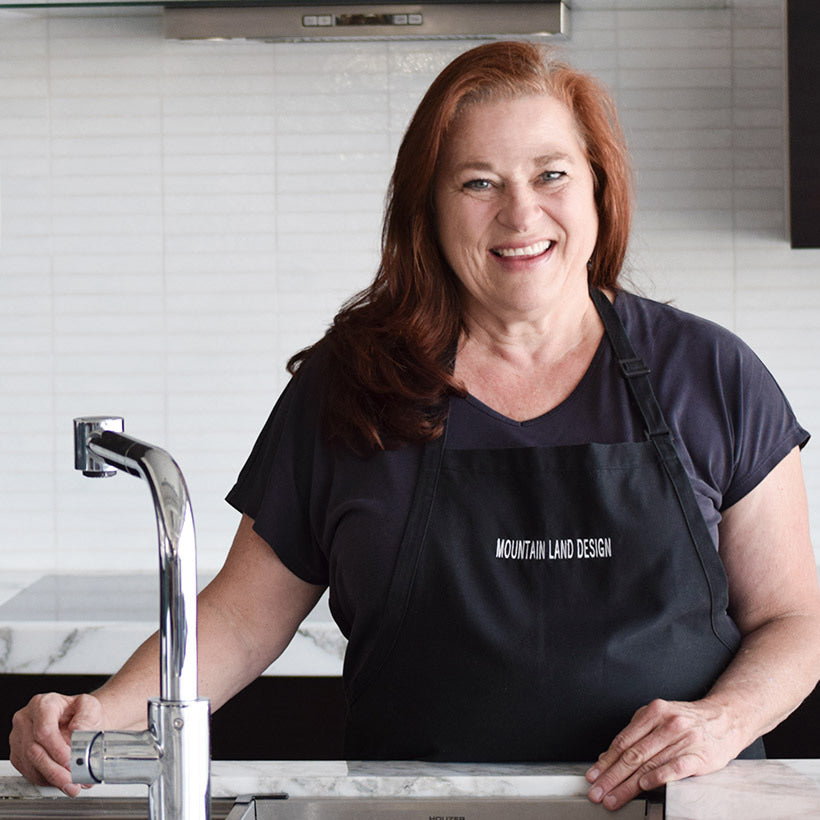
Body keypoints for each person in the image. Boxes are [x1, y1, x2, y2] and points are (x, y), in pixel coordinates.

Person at [10, 41, 820, 813]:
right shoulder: (355, 384)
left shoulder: (711, 375)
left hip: (677, 811)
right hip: (419, 813)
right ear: (428, 210)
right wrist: (100, 715)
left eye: (551, 174)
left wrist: (725, 721)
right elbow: (238, 619)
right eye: (478, 182)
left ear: (599, 188)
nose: (521, 212)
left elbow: (796, 621)